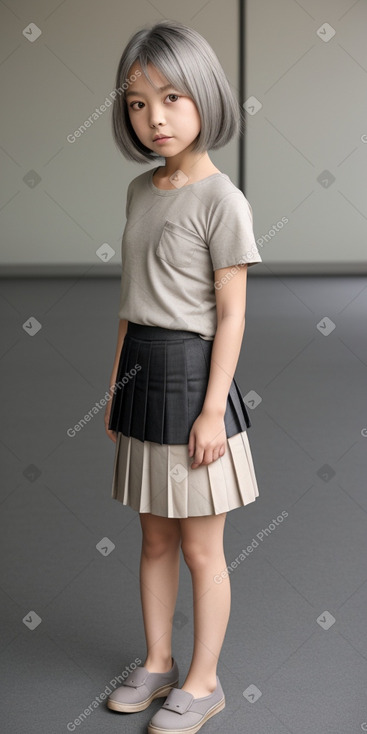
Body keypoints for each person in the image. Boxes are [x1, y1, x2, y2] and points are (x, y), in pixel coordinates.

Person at [104, 19, 262, 734]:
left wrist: (208, 414)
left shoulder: (222, 200)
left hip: (196, 382)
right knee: (155, 540)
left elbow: (230, 317)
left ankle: (204, 683)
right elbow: (129, 307)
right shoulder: (141, 191)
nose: (154, 117)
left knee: (202, 547)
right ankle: (159, 661)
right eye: (138, 103)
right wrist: (115, 390)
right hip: (141, 375)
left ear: (204, 97)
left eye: (170, 97)